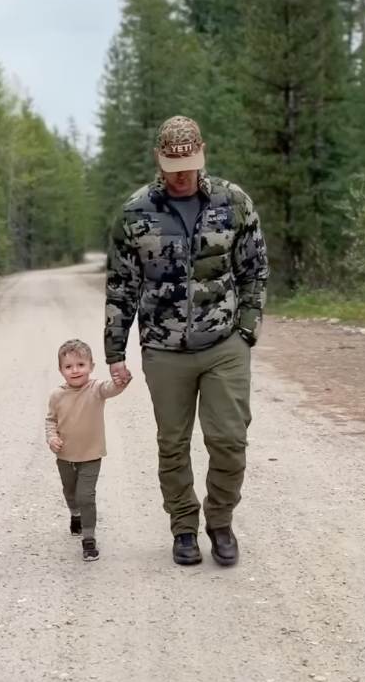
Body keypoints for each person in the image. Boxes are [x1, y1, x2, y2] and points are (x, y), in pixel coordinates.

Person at [104, 115, 269, 569]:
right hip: (163, 349)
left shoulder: (233, 203)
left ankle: (220, 522)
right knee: (172, 443)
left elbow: (254, 271)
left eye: (190, 164)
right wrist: (115, 353)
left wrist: (248, 328)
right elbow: (121, 286)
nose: (182, 174)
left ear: (202, 157)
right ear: (160, 159)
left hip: (224, 342)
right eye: (174, 164)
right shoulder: (135, 212)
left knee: (230, 439)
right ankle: (183, 527)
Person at [45, 338, 130, 562]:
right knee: (70, 494)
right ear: (61, 370)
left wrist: (121, 381)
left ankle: (89, 538)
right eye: (69, 366)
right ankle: (75, 515)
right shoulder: (57, 395)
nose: (75, 370)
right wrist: (52, 438)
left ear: (91, 366)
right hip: (64, 456)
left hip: (91, 454)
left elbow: (112, 388)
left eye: (81, 365)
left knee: (86, 496)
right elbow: (51, 421)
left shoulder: (96, 389)